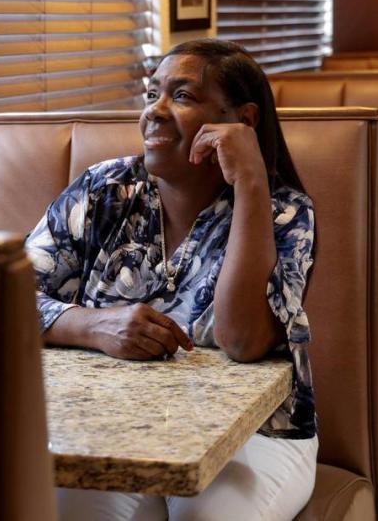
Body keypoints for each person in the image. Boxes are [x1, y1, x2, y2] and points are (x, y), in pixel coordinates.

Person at [25, 39, 317, 520]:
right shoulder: (105, 189)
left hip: (253, 434)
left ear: (242, 121)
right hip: (110, 421)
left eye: (181, 97)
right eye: (151, 94)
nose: (155, 112)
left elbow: (243, 341)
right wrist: (93, 326)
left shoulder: (285, 213)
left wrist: (250, 181)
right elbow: (8, 298)